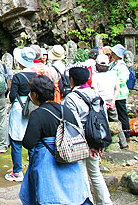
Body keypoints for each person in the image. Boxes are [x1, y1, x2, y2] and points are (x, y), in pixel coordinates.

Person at [20, 75, 92, 205]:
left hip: (47, 161)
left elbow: (28, 142)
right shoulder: (66, 110)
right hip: (69, 159)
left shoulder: (38, 114)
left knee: (49, 195)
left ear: (35, 95)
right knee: (72, 195)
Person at [64, 67, 112, 205]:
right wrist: (99, 143)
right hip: (96, 139)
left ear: (72, 79)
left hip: (81, 141)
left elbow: (75, 124)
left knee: (82, 174)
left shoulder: (72, 97)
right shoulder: (96, 94)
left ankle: (87, 201)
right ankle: (105, 202)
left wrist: (86, 144)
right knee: (95, 173)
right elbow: (104, 119)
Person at [6, 47, 38, 182]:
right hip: (34, 107)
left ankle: (18, 171)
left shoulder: (18, 77)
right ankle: (33, 168)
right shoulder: (37, 76)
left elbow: (12, 95)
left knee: (16, 139)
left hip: (19, 108)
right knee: (33, 139)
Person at [109, 44, 131, 145]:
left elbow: (122, 79)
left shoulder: (121, 66)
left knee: (122, 115)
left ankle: (126, 135)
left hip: (120, 93)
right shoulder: (113, 64)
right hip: (112, 92)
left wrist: (113, 83)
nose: (111, 53)